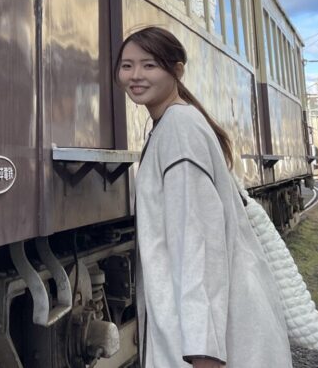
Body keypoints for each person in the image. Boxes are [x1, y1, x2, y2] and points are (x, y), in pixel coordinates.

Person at [116, 26, 291, 368]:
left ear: (176, 71)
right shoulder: (178, 122)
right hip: (206, 331)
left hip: (204, 346)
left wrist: (203, 350)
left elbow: (196, 244)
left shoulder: (179, 129)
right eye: (127, 65)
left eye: (149, 65)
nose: (135, 75)